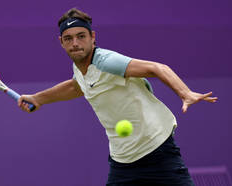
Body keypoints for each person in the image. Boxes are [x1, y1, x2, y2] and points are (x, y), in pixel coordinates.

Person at [18, 8, 218, 186]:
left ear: (92, 37)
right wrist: (38, 98)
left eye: (81, 36)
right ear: (61, 42)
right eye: (69, 38)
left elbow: (156, 68)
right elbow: (76, 87)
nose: (75, 43)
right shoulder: (80, 68)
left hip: (158, 152)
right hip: (123, 161)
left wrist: (185, 93)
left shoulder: (106, 61)